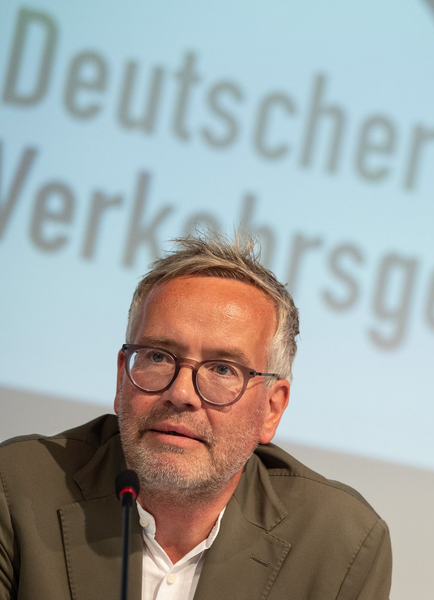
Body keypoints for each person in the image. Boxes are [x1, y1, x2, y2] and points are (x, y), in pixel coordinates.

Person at [0, 233, 392, 600]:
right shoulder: (16, 489)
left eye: (223, 369)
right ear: (122, 377)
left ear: (271, 409)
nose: (181, 393)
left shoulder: (340, 544)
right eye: (157, 356)